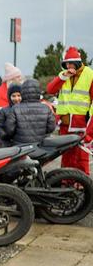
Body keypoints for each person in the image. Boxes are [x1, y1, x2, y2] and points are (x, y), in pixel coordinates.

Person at [46, 46, 93, 175]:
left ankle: (83, 187)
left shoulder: (89, 74)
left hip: (81, 125)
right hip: (64, 124)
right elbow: (50, 90)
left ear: (77, 63)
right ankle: (66, 183)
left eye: (71, 63)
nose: (68, 66)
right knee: (66, 157)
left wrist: (90, 128)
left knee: (81, 157)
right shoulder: (64, 75)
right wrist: (63, 77)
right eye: (66, 64)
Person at [4, 79, 56, 145]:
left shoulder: (15, 109)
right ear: (38, 91)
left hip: (20, 148)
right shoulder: (46, 108)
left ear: (22, 91)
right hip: (40, 146)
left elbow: (9, 130)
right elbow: (51, 128)